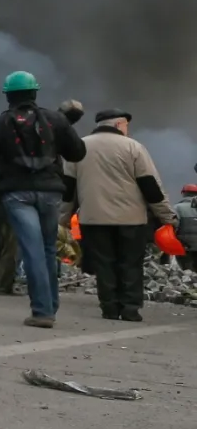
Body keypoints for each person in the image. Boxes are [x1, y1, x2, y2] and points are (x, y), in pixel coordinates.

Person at [0, 71, 86, 329]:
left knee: (32, 249)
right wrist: (65, 128)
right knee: (46, 249)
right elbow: (77, 152)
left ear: (8, 95)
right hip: (50, 192)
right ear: (35, 93)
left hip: (17, 193)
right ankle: (49, 305)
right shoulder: (55, 120)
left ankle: (43, 311)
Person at [64, 109, 177, 322]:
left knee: (104, 264)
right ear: (118, 125)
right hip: (131, 220)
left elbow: (67, 190)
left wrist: (61, 221)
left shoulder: (79, 147)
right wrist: (167, 217)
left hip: (93, 220)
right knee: (131, 263)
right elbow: (151, 187)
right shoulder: (134, 147)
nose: (127, 130)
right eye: (126, 125)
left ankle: (109, 308)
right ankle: (130, 309)